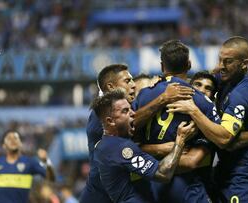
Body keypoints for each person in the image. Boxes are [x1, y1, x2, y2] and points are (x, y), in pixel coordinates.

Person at [168, 36, 248, 202]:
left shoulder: (241, 94)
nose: (221, 66)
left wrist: (194, 111)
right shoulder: (226, 77)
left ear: (244, 64)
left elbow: (223, 138)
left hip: (243, 175)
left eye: (227, 61)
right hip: (222, 171)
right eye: (220, 59)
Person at [79, 64, 193, 203]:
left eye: (133, 81)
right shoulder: (100, 117)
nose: (133, 85)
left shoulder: (123, 109)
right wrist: (162, 97)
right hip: (102, 196)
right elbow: (127, 137)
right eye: (127, 81)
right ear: (111, 87)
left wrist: (152, 89)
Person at [133, 39, 220, 202]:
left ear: (161, 66)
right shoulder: (204, 103)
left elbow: (127, 136)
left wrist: (149, 154)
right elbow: (222, 137)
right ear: (189, 64)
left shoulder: (144, 95)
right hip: (188, 193)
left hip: (151, 190)